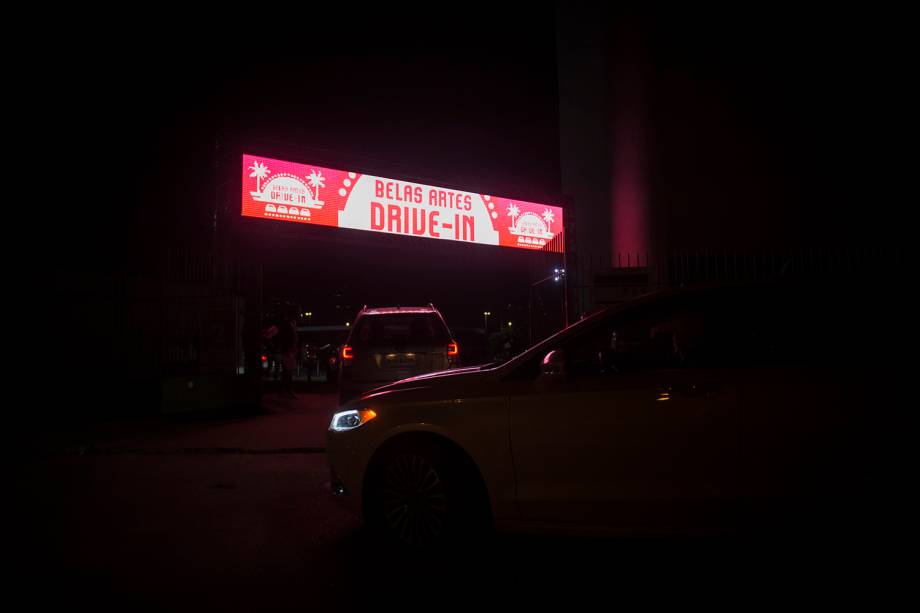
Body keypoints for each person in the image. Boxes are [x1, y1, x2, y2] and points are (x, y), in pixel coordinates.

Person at [278, 306, 299, 398]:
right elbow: (287, 338)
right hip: (288, 351)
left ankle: (285, 390)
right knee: (287, 371)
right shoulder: (287, 324)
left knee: (288, 371)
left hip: (289, 350)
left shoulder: (289, 324)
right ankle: (286, 390)